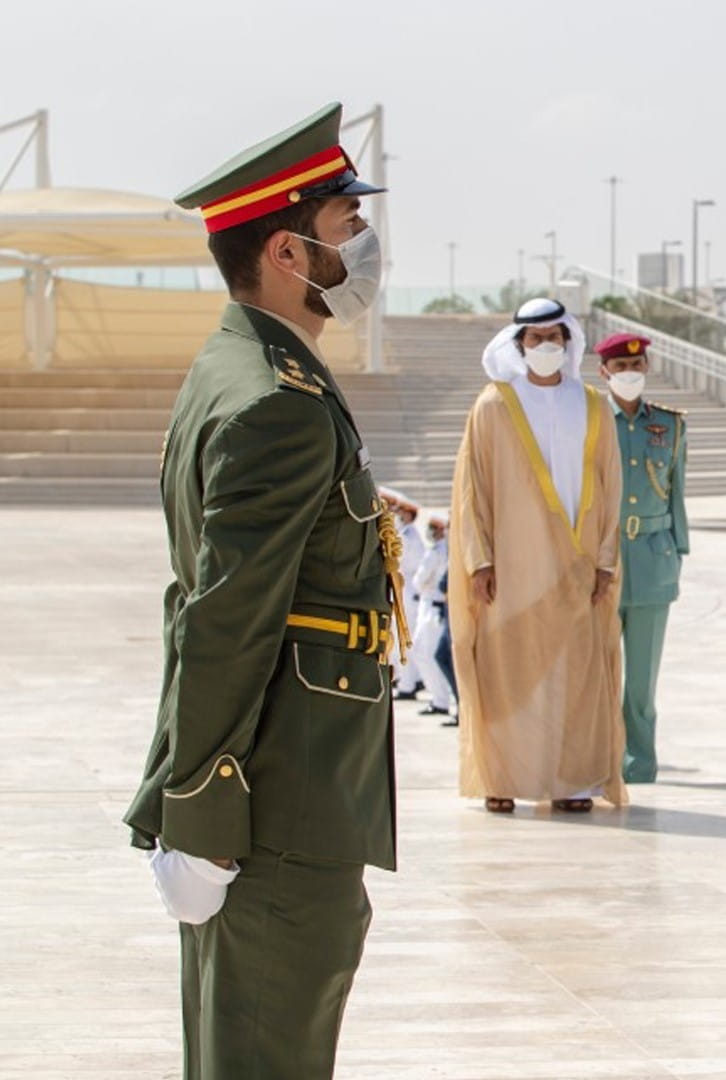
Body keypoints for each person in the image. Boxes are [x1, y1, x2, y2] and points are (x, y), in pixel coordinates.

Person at [122, 102, 397, 1078]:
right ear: (287, 249)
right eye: (344, 227)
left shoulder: (245, 368)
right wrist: (198, 808)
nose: (363, 246)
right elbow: (225, 620)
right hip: (282, 797)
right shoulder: (274, 404)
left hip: (288, 784)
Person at [449, 298, 625, 814]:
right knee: (509, 670)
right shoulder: (494, 405)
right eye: (535, 338)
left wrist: (606, 561)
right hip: (513, 564)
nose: (545, 347)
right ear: (518, 343)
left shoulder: (591, 404)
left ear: (568, 342)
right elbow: (472, 490)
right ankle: (501, 777)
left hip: (579, 563)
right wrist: (479, 559)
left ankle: (574, 782)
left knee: (576, 673)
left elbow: (610, 485)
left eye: (555, 338)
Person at [595, 332, 688, 784]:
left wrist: (679, 551)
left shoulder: (670, 425)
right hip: (604, 558)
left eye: (635, 367)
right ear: (603, 373)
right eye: (619, 368)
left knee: (642, 677)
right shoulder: (592, 421)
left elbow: (677, 496)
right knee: (602, 667)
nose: (628, 375)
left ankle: (640, 761)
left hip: (654, 558)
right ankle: (604, 755)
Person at [411, 511, 458, 724]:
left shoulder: (441, 551)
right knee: (426, 652)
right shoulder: (443, 550)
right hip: (431, 605)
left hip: (435, 608)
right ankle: (441, 699)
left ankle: (444, 700)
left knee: (434, 654)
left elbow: (423, 581)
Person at [381, 488, 427, 700]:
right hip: (401, 587)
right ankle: (404, 679)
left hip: (406, 589)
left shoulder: (408, 536)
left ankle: (408, 683)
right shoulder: (403, 532)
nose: (396, 514)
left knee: (404, 638)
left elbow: (405, 563)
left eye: (399, 510)